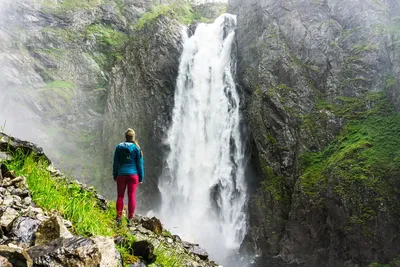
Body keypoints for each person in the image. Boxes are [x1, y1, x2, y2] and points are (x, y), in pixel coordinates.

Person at [113, 128, 144, 226]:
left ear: (125, 137)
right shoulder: (136, 148)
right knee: (131, 197)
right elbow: (140, 164)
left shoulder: (119, 147)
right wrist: (141, 177)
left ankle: (118, 217)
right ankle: (130, 219)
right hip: (133, 175)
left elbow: (116, 163)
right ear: (133, 137)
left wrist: (115, 175)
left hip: (121, 174)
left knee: (120, 196)